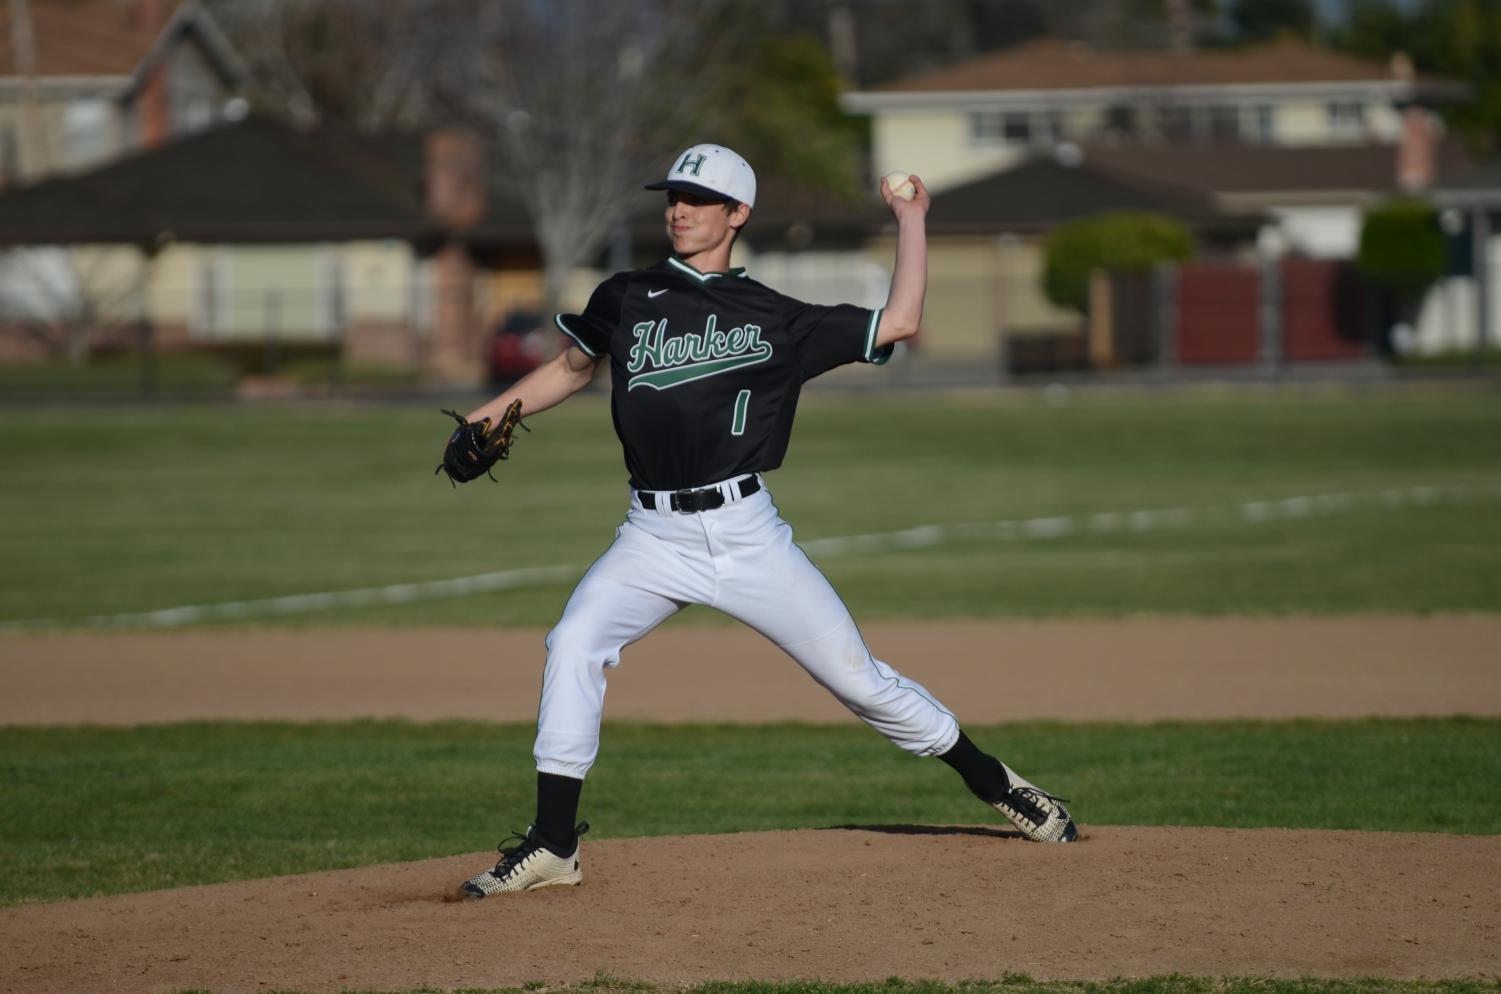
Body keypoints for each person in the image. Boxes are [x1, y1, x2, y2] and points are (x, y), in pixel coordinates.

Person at [456, 143, 1076, 898]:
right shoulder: (626, 294)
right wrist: (486, 419)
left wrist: (911, 218)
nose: (677, 209)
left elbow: (901, 321)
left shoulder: (777, 318)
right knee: (575, 643)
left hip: (747, 534)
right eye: (671, 196)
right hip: (650, 537)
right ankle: (553, 844)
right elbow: (572, 367)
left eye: (697, 198)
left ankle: (997, 784)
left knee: (863, 685)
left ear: (737, 214)